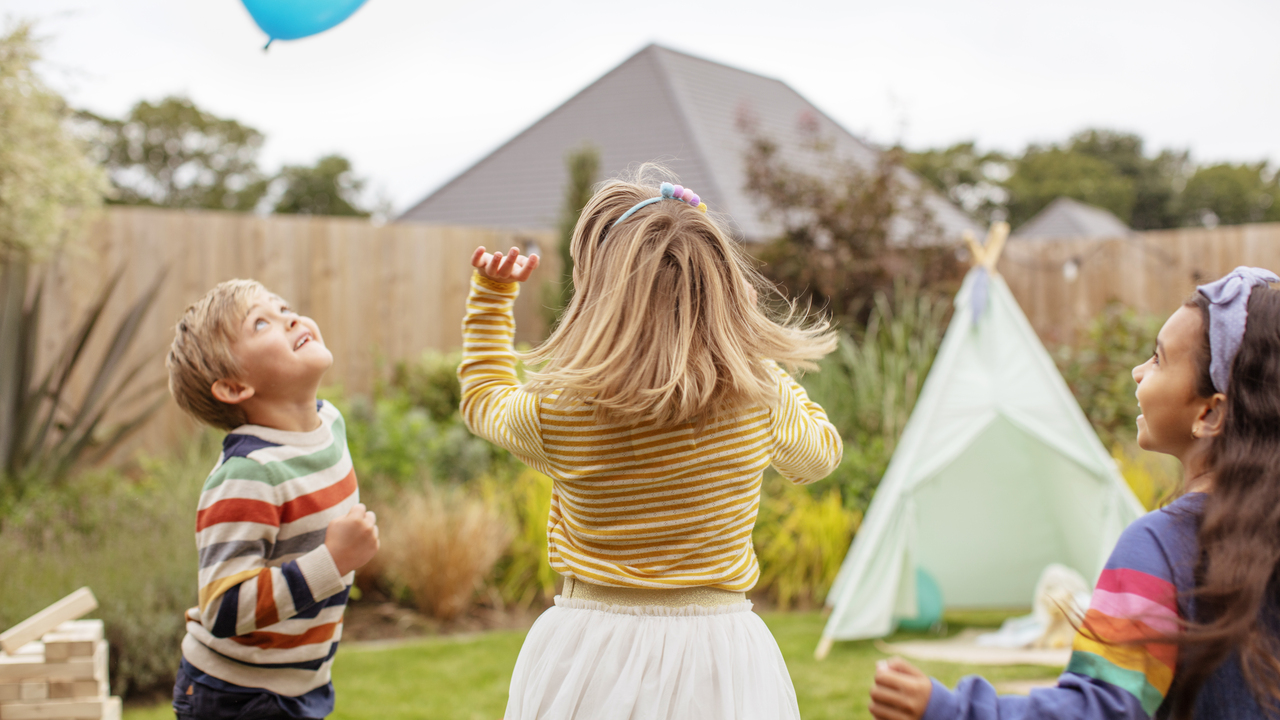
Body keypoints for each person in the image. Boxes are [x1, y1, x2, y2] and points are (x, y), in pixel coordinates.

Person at [459, 175, 844, 720]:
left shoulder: (559, 410)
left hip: (588, 654)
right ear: (727, 291)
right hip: (720, 658)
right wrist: (753, 354)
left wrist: (492, 301)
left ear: (597, 295)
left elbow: (483, 399)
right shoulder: (755, 400)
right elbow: (820, 456)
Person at [870, 266, 1280, 720]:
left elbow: (1101, 710)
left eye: (1158, 359)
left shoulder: (1162, 548)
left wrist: (950, 709)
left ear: (1208, 413)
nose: (1138, 372)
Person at [165, 279, 379, 720]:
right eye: (262, 323)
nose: (290, 318)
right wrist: (333, 561)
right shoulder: (249, 475)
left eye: (284, 308)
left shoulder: (329, 423)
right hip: (237, 694)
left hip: (301, 680)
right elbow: (223, 608)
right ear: (233, 387)